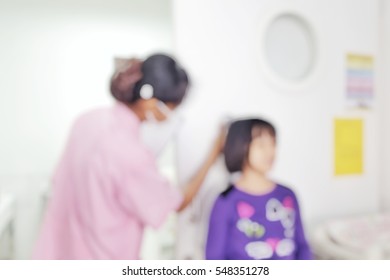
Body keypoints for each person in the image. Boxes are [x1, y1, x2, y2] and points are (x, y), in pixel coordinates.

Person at [33, 54, 224, 259]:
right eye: (170, 109)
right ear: (150, 102)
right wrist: (214, 152)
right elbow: (177, 202)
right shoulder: (132, 155)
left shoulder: (86, 121)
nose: (170, 117)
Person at [205, 118, 312, 260]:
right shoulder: (225, 202)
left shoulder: (288, 195)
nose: (270, 151)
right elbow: (214, 259)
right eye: (261, 145)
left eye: (273, 143)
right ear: (241, 147)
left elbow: (303, 247)